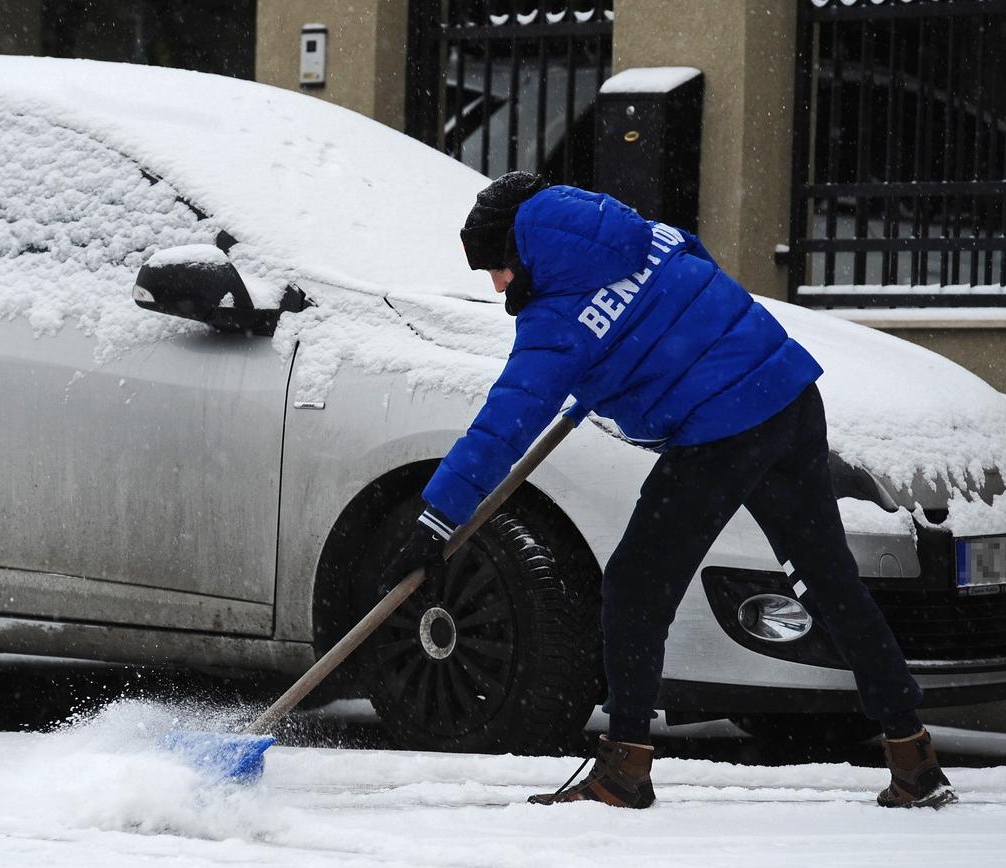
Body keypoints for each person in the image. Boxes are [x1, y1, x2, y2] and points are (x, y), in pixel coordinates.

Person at [380, 172, 956, 810]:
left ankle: (625, 768)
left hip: (720, 431)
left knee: (633, 589)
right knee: (827, 579)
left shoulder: (557, 321)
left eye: (495, 268)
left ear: (518, 253)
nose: (495, 285)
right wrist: (622, 365)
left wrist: (437, 522)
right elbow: (695, 270)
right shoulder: (639, 231)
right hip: (787, 395)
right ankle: (913, 754)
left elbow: (503, 424)